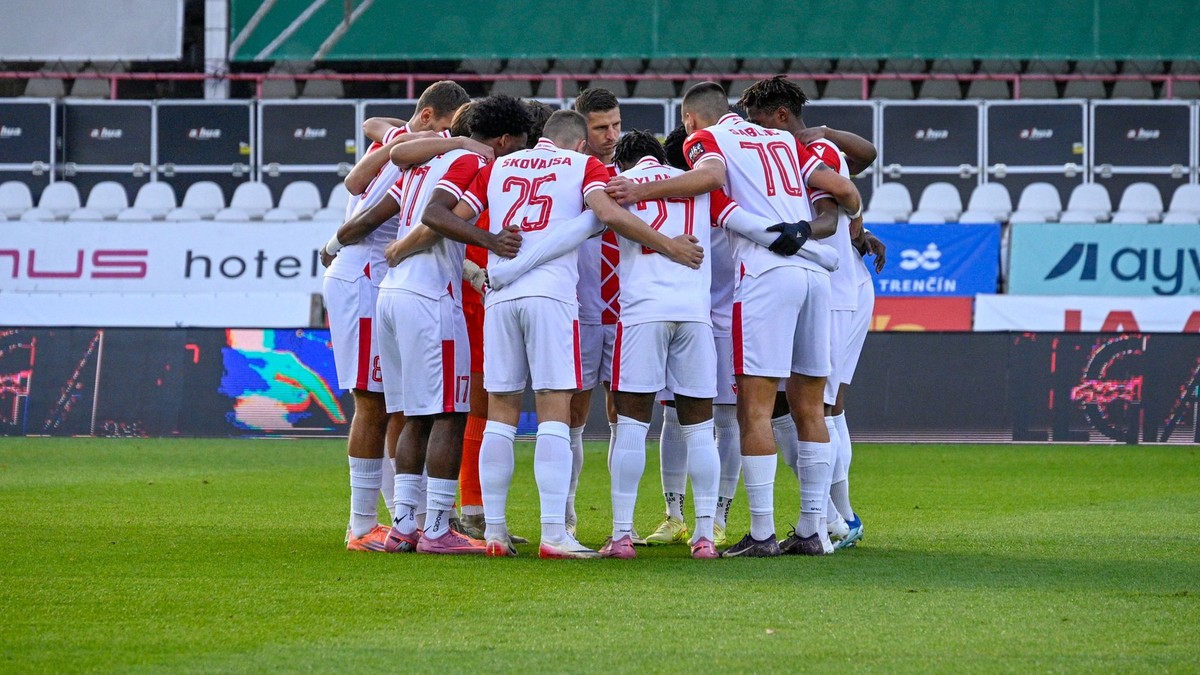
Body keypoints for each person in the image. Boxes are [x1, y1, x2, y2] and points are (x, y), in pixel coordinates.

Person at [420, 110, 703, 559]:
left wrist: (489, 242)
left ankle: (494, 531)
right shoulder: (581, 166)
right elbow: (607, 213)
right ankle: (554, 533)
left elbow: (437, 215)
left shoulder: (498, 166)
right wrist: (667, 245)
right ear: (577, 144)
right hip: (551, 298)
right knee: (554, 409)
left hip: (500, 295)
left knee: (501, 413)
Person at [605, 82, 863, 557]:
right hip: (816, 278)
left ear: (689, 121)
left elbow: (711, 188)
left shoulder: (707, 142)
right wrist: (818, 238)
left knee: (755, 409)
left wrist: (643, 187)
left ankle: (762, 532)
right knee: (810, 407)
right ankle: (814, 529)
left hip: (765, 278)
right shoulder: (786, 141)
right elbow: (845, 192)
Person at [369, 94, 528, 555]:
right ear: (502, 140)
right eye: (516, 146)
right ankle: (437, 528)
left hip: (395, 293)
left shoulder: (430, 160)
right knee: (449, 413)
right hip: (430, 298)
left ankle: (404, 526)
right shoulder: (470, 163)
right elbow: (435, 215)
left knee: (416, 415)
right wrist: (489, 239)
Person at [319, 80, 468, 551]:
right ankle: (361, 526)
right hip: (364, 275)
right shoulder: (423, 151)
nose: (448, 138)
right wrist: (333, 244)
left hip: (378, 278)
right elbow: (363, 206)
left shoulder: (403, 142)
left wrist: (396, 137)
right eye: (447, 128)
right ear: (430, 119)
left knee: (396, 404)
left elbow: (369, 144)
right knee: (374, 403)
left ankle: (413, 517)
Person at [738, 76, 879, 550]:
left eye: (758, 118)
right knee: (799, 406)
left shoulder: (810, 151)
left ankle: (840, 518)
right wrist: (857, 227)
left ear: (779, 115)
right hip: (827, 282)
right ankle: (825, 517)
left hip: (834, 288)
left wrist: (823, 133)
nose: (752, 128)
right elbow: (847, 195)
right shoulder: (791, 152)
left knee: (821, 407)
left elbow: (854, 172)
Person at [456, 99, 555, 542]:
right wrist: (473, 271)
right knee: (481, 404)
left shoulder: (505, 173)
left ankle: (475, 512)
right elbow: (437, 224)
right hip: (478, 292)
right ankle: (467, 512)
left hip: (494, 290)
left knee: (490, 405)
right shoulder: (482, 170)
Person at [568, 88, 623, 537]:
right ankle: (565, 514)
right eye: (601, 127)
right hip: (583, 312)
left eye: (617, 125)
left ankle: (621, 524)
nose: (611, 135)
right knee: (573, 417)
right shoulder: (568, 175)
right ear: (581, 130)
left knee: (626, 417)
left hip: (629, 314)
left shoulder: (638, 173)